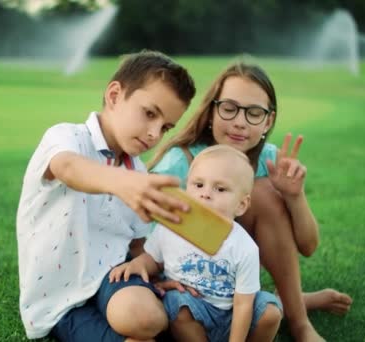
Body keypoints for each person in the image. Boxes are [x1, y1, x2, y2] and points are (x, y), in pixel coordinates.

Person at [148, 61, 353, 342]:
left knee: (265, 194)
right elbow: (142, 240)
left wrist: (294, 196)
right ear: (211, 112)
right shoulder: (180, 163)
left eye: (254, 113)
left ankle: (299, 320)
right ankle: (295, 300)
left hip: (234, 281)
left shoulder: (269, 160)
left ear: (268, 121)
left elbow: (308, 246)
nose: (240, 122)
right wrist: (159, 279)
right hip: (188, 284)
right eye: (229, 108)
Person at [16, 50, 196, 341]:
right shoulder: (67, 137)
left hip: (113, 276)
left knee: (145, 317)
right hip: (61, 299)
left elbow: (137, 246)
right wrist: (122, 182)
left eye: (165, 127)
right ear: (114, 95)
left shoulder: (138, 173)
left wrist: (163, 275)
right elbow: (68, 167)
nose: (154, 134)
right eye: (149, 114)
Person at [110, 145, 283, 342]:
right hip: (193, 313)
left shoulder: (244, 246)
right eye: (198, 185)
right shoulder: (171, 228)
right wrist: (138, 264)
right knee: (178, 303)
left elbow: (244, 303)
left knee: (270, 311)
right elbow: (154, 260)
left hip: (232, 313)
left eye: (220, 188)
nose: (206, 193)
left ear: (241, 205)